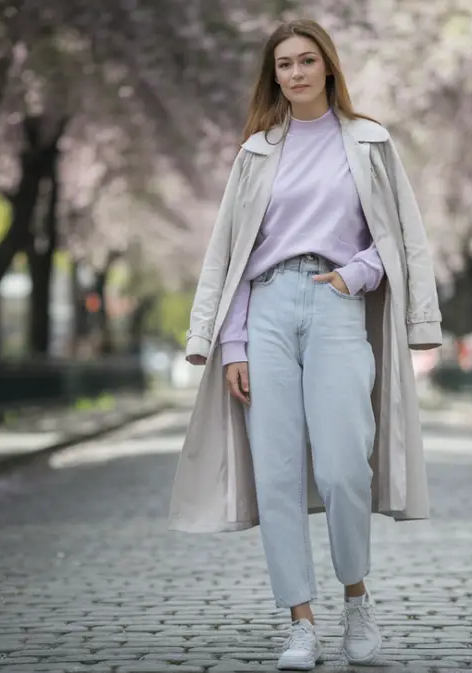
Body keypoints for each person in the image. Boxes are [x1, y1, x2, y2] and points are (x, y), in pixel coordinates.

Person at [167, 18, 442, 671]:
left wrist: (358, 273)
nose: (294, 73)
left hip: (337, 304)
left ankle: (356, 600)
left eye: (306, 61)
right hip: (265, 311)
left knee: (345, 467)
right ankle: (301, 621)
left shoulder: (369, 142)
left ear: (328, 68)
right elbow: (234, 254)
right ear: (275, 75)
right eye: (283, 64)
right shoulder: (257, 151)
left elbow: (400, 235)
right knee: (279, 474)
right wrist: (230, 341)